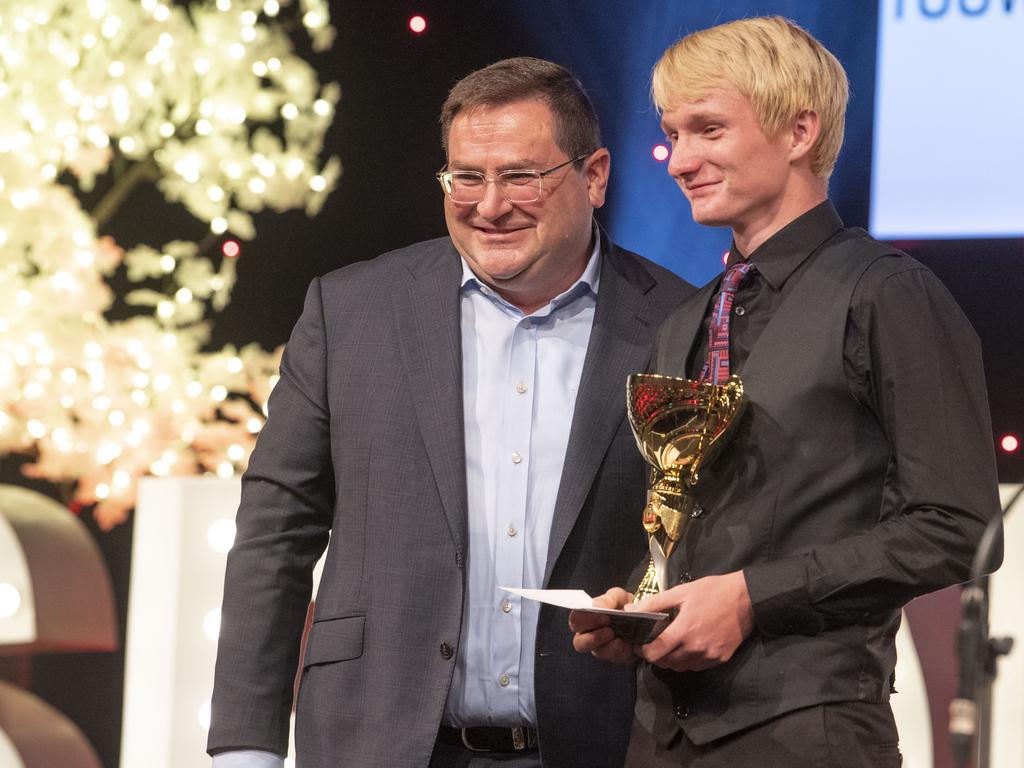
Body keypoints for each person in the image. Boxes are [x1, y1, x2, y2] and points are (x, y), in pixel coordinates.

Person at [207, 57, 694, 768]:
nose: (489, 205)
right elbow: (274, 533)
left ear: (593, 176)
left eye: (521, 176)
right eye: (467, 176)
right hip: (375, 742)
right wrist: (246, 747)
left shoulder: (681, 322)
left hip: (603, 745)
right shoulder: (351, 312)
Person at [570, 16, 1002, 768]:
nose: (679, 159)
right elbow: (692, 519)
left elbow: (957, 524)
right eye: (675, 133)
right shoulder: (687, 319)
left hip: (808, 732)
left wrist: (752, 596)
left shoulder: (887, 295)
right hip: (660, 732)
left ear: (800, 131)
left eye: (708, 129)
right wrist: (642, 610)